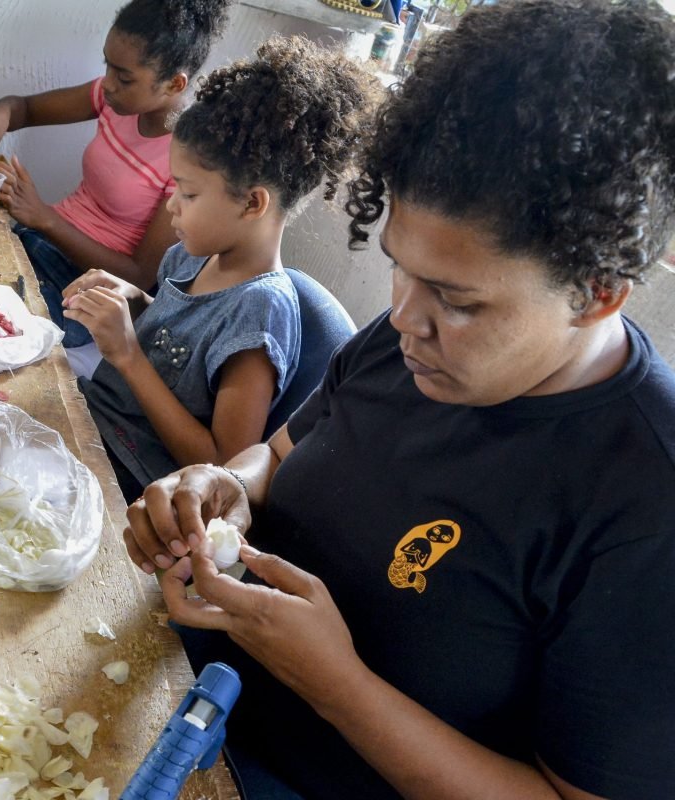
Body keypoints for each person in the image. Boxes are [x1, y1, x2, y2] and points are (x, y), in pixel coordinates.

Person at [121, 1, 675, 798]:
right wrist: (225, 486)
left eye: (458, 301)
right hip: (186, 700)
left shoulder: (644, 504)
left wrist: (339, 687)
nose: (406, 317)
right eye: (399, 267)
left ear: (597, 295)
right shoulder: (404, 337)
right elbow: (278, 457)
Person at [61, 37, 376, 503]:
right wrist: (133, 299)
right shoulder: (193, 254)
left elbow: (221, 466)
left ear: (252, 203)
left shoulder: (260, 313)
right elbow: (182, 339)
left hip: (130, 482)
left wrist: (128, 354)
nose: (172, 205)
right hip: (89, 423)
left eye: (188, 194)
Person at [0, 0, 232, 347]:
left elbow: (139, 276)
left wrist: (44, 217)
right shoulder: (114, 99)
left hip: (82, 289)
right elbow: (24, 108)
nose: (108, 84)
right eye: (108, 66)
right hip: (36, 241)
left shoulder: (188, 159)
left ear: (174, 84)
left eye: (124, 77)